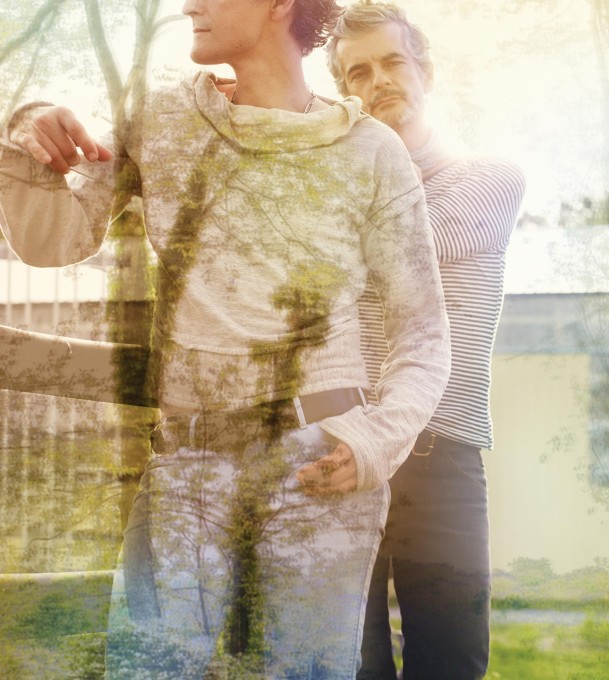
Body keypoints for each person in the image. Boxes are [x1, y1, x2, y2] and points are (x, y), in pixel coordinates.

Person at [0, 0, 450, 676]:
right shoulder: (157, 119)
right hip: (188, 462)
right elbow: (50, 242)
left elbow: (423, 334)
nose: (190, 4)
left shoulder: (371, 152)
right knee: (147, 668)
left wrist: (378, 437)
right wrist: (25, 133)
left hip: (321, 463)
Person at [326, 3, 525, 678]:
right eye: (358, 72)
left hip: (443, 451)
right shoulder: (334, 194)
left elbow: (405, 248)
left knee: (452, 662)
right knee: (352, 665)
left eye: (393, 62)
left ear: (426, 72)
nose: (378, 81)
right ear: (341, 92)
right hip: (346, 448)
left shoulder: (489, 177)